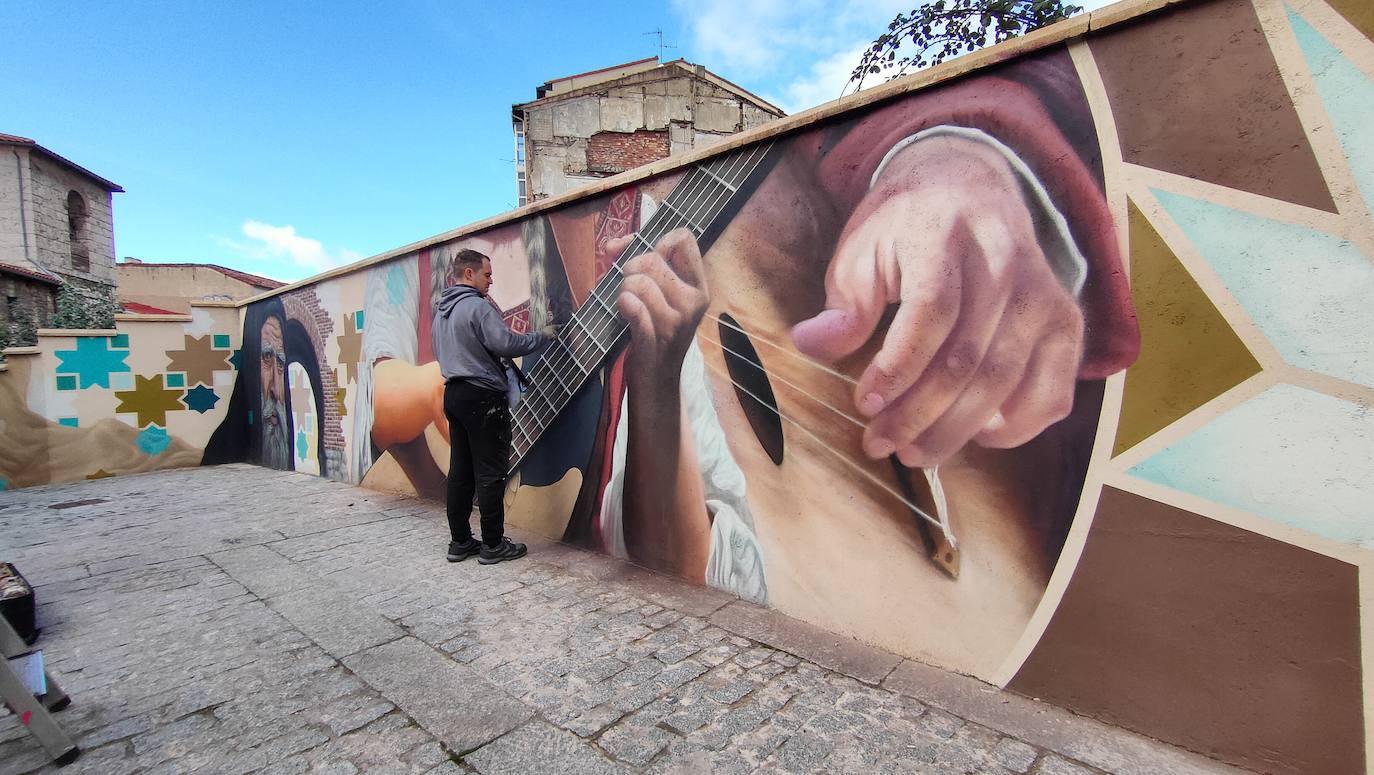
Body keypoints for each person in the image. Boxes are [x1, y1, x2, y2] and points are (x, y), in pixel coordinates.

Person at [432, 248, 551, 564]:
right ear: (468, 274)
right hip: (482, 397)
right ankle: (493, 545)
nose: (491, 281)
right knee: (491, 472)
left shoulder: (442, 313)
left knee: (461, 471)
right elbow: (506, 344)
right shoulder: (477, 308)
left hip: (454, 395)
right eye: (487, 274)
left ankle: (460, 542)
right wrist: (542, 337)